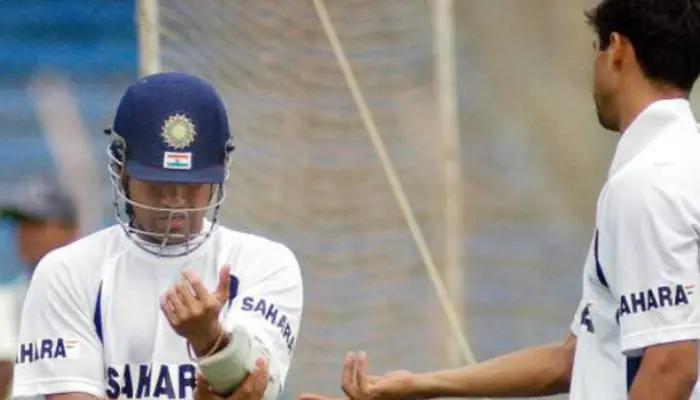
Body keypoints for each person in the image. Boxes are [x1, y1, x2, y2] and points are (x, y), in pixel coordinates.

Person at [300, 0, 700, 399]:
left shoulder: (647, 182)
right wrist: (420, 385)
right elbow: (577, 357)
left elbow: (671, 364)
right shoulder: (680, 162)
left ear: (616, 49)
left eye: (595, 48)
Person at [11, 72, 304, 400]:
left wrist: (209, 339)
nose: (176, 200)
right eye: (158, 184)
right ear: (121, 171)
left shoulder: (265, 263)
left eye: (192, 184)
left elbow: (258, 386)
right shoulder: (67, 271)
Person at [0, 176, 79, 400]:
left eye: (36, 224)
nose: (24, 234)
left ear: (70, 230)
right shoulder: (5, 300)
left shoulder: (100, 292)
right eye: (20, 225)